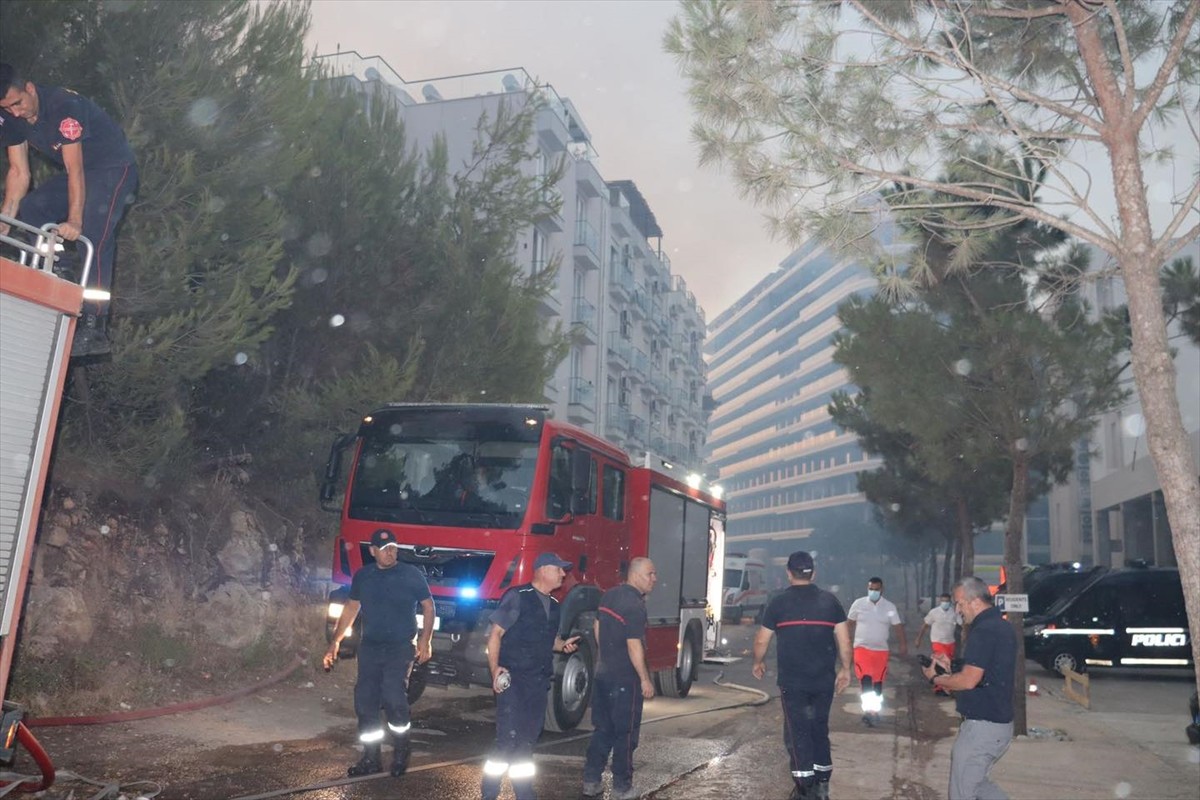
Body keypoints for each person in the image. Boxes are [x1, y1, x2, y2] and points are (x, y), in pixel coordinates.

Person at [0, 63, 138, 358]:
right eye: (6, 108)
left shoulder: (65, 108)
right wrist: (6, 219)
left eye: (18, 103)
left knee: (94, 235)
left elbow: (75, 170)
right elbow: (19, 172)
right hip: (83, 171)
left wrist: (74, 220)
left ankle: (95, 323)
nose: (15, 112)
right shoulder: (10, 117)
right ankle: (60, 268)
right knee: (33, 207)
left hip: (113, 168)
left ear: (30, 89)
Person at [324, 528, 434, 778]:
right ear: (373, 551)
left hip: (400, 647)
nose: (390, 552)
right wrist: (335, 642)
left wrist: (425, 640)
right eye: (384, 549)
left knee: (394, 697)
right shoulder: (364, 576)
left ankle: (401, 751)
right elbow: (351, 607)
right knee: (365, 701)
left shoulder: (411, 574)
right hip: (370, 647)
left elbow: (429, 606)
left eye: (393, 547)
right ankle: (371, 757)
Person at [752, 551, 851, 800]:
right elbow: (844, 640)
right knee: (819, 728)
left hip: (793, 683)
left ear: (789, 573)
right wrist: (846, 669)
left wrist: (758, 662)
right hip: (823, 681)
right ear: (813, 573)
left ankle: (805, 789)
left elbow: (762, 640)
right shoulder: (830, 602)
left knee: (798, 733)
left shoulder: (778, 603)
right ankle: (822, 786)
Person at [481, 552, 580, 800]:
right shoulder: (518, 596)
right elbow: (495, 635)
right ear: (543, 569)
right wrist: (495, 670)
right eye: (559, 569)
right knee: (507, 742)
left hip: (538, 682)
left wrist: (562, 645)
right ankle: (489, 794)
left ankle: (525, 795)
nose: (563, 574)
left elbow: (549, 640)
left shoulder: (555, 605)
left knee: (527, 741)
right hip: (514, 680)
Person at [922, 576, 1016, 800]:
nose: (957, 610)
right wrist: (952, 666)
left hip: (983, 727)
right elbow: (987, 670)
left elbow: (968, 681)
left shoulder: (984, 631)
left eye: (960, 603)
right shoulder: (1000, 626)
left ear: (975, 601)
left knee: (962, 792)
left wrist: (936, 679)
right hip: (996, 724)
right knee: (978, 786)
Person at [582, 557, 657, 800]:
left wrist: (605, 655)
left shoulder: (609, 595)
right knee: (626, 734)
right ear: (635, 575)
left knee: (603, 729)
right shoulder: (635, 605)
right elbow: (634, 645)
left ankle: (591, 780)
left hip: (604, 676)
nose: (654, 579)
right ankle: (622, 788)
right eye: (650, 574)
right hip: (625, 680)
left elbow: (597, 626)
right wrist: (644, 679)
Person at [846, 576, 906, 726]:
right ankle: (868, 712)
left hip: (881, 650)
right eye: (870, 589)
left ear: (882, 589)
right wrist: (846, 642)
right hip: (862, 648)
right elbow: (849, 623)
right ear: (867, 588)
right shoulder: (858, 604)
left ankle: (875, 711)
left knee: (877, 682)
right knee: (866, 679)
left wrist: (903, 644)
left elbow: (898, 626)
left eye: (876, 589)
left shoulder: (889, 607)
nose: (873, 592)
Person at [916, 592, 961, 696]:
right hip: (937, 641)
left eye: (947, 601)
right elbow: (925, 625)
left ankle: (946, 686)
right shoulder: (934, 612)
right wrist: (918, 638)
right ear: (940, 601)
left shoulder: (954, 613)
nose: (945, 603)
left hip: (950, 642)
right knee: (941, 663)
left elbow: (962, 624)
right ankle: (940, 687)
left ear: (950, 602)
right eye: (943, 601)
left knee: (948, 665)